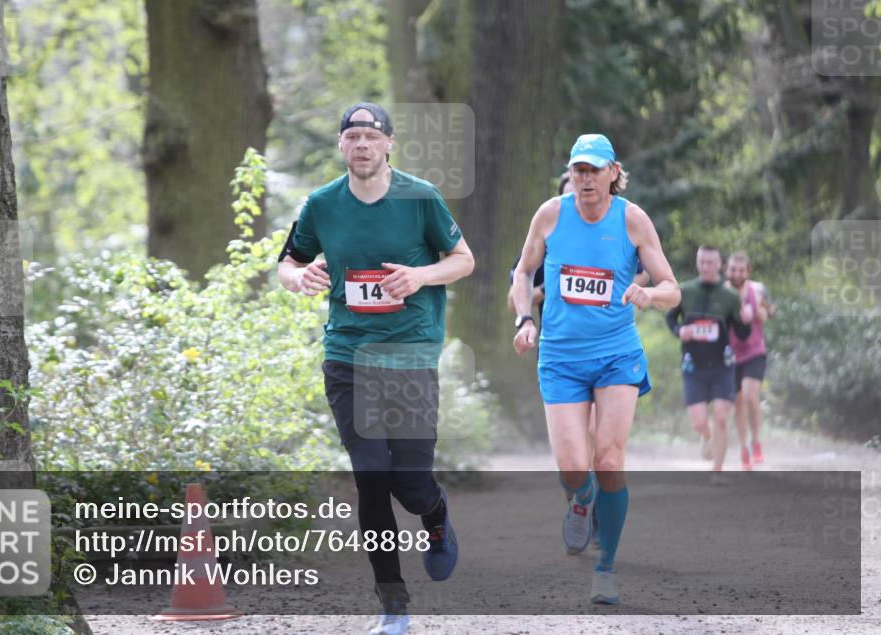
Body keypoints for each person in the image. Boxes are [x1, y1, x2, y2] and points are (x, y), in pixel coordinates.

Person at [278, 102, 474, 635]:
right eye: (352, 137)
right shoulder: (321, 204)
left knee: (410, 486)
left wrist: (421, 276)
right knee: (369, 477)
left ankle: (434, 517)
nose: (361, 144)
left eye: (370, 135)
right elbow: (288, 261)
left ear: (388, 144)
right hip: (348, 356)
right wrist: (298, 279)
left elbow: (464, 259)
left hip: (409, 354)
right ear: (341, 147)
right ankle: (393, 605)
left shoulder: (420, 197)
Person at [511, 133, 680, 605]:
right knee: (572, 467)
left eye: (594, 170)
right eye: (578, 170)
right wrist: (525, 319)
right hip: (561, 357)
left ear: (613, 172)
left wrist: (650, 294)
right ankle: (582, 500)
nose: (585, 179)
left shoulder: (632, 220)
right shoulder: (550, 214)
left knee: (608, 458)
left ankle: (605, 569)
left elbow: (672, 286)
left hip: (616, 354)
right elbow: (523, 273)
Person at [507, 172, 650, 554]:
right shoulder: (548, 231)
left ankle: (601, 522)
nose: (581, 198)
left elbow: (639, 270)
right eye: (571, 193)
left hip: (607, 352)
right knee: (573, 458)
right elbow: (518, 285)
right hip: (560, 351)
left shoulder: (619, 225)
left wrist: (639, 287)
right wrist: (529, 312)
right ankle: (580, 499)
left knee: (601, 447)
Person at [665, 246, 753, 482]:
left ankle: (717, 470)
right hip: (693, 365)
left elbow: (743, 334)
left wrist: (746, 320)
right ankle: (707, 434)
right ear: (697, 263)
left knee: (722, 417)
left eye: (710, 263)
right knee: (699, 422)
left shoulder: (730, 297)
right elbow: (671, 318)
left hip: (722, 366)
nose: (705, 266)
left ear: (719, 265)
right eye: (701, 262)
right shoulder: (685, 291)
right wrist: (679, 330)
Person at [725, 251, 776, 469]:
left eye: (741, 270)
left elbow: (771, 310)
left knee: (750, 395)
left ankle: (756, 441)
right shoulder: (722, 292)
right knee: (738, 404)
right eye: (733, 270)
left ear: (748, 271)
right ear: (727, 270)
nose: (737, 274)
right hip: (730, 354)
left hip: (755, 351)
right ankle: (744, 446)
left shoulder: (758, 289)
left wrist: (762, 312)